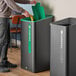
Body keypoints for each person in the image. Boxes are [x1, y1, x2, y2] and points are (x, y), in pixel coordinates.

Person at [0, 0, 36, 72]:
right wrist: (23, 11)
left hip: (5, 17)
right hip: (1, 17)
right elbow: (10, 3)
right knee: (3, 41)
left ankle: (4, 61)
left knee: (6, 40)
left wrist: (28, 2)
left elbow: (16, 0)